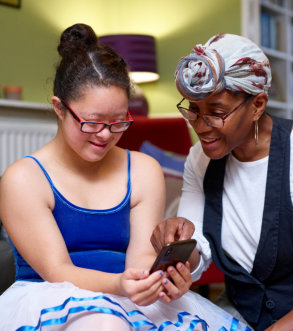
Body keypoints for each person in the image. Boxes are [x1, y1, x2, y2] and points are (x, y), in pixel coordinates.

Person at [0, 24, 251, 330]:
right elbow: (57, 270)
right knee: (105, 324)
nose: (105, 135)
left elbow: (141, 259)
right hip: (49, 298)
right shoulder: (23, 178)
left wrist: (160, 280)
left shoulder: (143, 170)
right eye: (92, 122)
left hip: (126, 293)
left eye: (119, 122)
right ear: (59, 109)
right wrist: (122, 284)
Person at [150, 33, 293, 330]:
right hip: (243, 311)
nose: (200, 127)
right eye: (193, 109)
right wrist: (179, 249)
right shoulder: (199, 160)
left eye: (216, 113)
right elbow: (198, 252)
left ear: (257, 105)